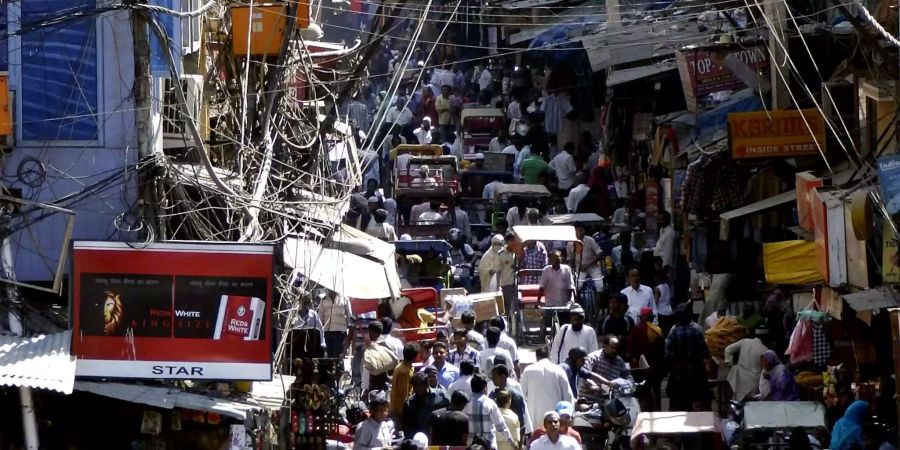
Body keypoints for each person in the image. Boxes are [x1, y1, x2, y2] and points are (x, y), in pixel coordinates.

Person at [665, 303, 710, 411]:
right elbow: (705, 353)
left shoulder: (673, 334)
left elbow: (668, 357)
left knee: (677, 410)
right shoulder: (697, 332)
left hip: (678, 380)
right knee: (697, 411)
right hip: (695, 380)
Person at [520, 346, 575, 430]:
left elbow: (521, 396)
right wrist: (570, 416)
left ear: (536, 357)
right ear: (549, 356)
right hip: (555, 421)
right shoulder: (559, 371)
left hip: (534, 421)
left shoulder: (528, 370)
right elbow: (568, 396)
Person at [464, 373, 518, 449]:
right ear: (485, 387)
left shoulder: (466, 404)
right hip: (488, 446)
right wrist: (511, 442)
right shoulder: (489, 404)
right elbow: (501, 427)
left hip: (472, 446)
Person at [626, 308, 665, 410]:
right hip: (656, 367)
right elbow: (662, 351)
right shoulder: (657, 330)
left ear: (642, 318)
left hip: (641, 368)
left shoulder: (637, 329)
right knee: (656, 391)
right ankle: (658, 410)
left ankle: (645, 410)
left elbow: (630, 348)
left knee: (643, 391)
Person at [538, 251, 576, 342]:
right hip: (550, 303)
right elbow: (541, 287)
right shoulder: (546, 270)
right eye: (553, 259)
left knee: (565, 324)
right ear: (550, 260)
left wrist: (570, 300)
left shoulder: (567, 269)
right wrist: (538, 301)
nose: (556, 260)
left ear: (561, 258)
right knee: (548, 321)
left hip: (564, 302)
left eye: (558, 258)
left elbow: (571, 286)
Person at [490, 365, 534, 440]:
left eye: (494, 376)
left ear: (503, 376)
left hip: (512, 439)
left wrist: (520, 445)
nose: (492, 379)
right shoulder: (492, 394)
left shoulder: (514, 395)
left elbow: (521, 423)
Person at [403, 372, 450, 437]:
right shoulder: (409, 403)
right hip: (421, 441)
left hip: (440, 438)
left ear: (427, 384)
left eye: (419, 385)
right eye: (414, 386)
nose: (416, 389)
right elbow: (408, 427)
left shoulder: (442, 396)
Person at [724, 333, 769, 401]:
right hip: (754, 382)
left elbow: (727, 350)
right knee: (750, 404)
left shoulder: (745, 342)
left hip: (739, 378)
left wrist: (730, 364)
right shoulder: (765, 349)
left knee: (736, 401)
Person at [316, 289, 353, 359]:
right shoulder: (323, 299)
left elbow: (349, 315)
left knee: (338, 355)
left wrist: (349, 333)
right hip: (328, 332)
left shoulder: (344, 299)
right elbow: (320, 316)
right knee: (330, 355)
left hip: (340, 332)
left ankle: (339, 369)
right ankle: (333, 369)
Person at [567, 222, 604, 291]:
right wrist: (571, 270)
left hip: (593, 267)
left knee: (600, 286)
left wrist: (588, 264)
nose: (582, 232)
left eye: (583, 230)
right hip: (580, 269)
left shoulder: (590, 240)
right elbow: (570, 259)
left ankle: (599, 301)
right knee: (577, 286)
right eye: (580, 230)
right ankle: (579, 300)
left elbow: (600, 253)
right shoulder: (570, 243)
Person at [391, 344, 418, 419]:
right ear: (414, 358)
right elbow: (405, 392)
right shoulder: (404, 372)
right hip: (402, 409)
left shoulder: (401, 366)